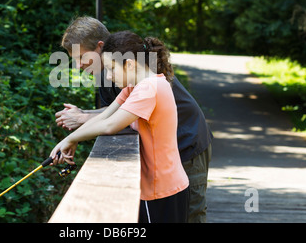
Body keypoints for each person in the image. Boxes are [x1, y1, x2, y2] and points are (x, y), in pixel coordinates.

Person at [56, 16, 213, 223]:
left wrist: (80, 123)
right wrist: (81, 123)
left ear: (100, 48)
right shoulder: (125, 76)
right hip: (162, 164)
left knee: (191, 216)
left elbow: (114, 120)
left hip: (187, 143)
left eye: (81, 56)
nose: (78, 65)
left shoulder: (136, 77)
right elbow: (113, 112)